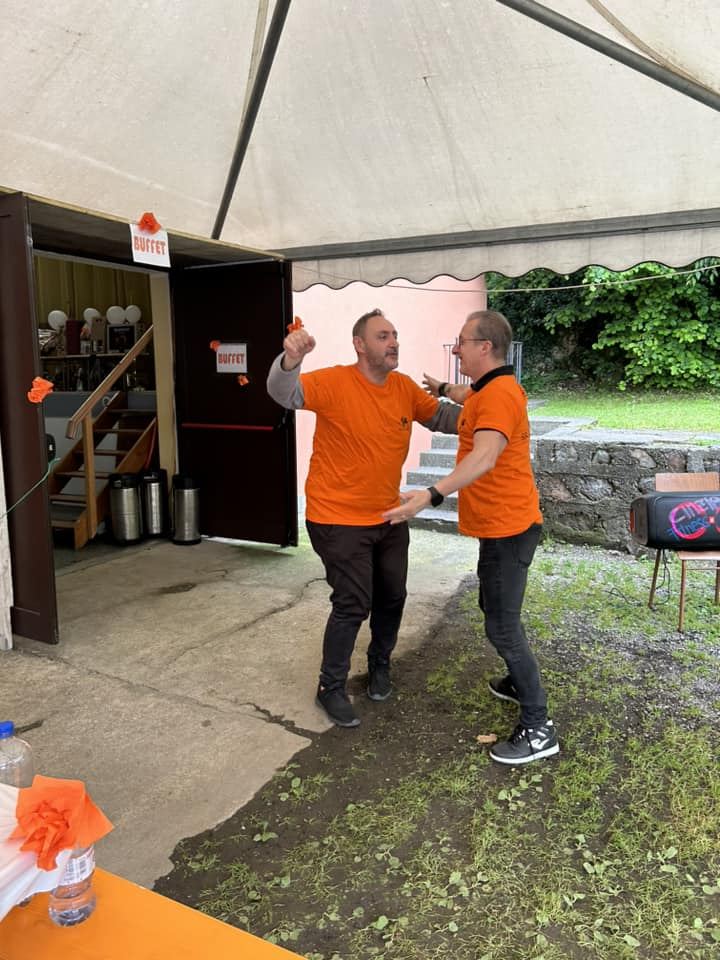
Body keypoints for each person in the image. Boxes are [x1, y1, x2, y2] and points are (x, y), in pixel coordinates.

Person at [266, 309, 460, 728]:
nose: (394, 342)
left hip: (389, 515)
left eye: (395, 335)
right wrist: (290, 360)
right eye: (383, 336)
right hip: (337, 516)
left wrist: (495, 407)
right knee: (353, 602)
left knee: (392, 596)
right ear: (359, 344)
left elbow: (444, 418)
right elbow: (284, 393)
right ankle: (330, 686)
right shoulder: (334, 382)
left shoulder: (403, 388)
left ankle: (379, 664)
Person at [384, 310, 559, 765]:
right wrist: (443, 388)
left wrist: (430, 494)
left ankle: (539, 727)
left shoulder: (499, 396)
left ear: (485, 347)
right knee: (493, 609)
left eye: (462, 341)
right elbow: (467, 395)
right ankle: (519, 683)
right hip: (499, 527)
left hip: (509, 529)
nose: (457, 347)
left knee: (502, 625)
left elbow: (484, 457)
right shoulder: (489, 387)